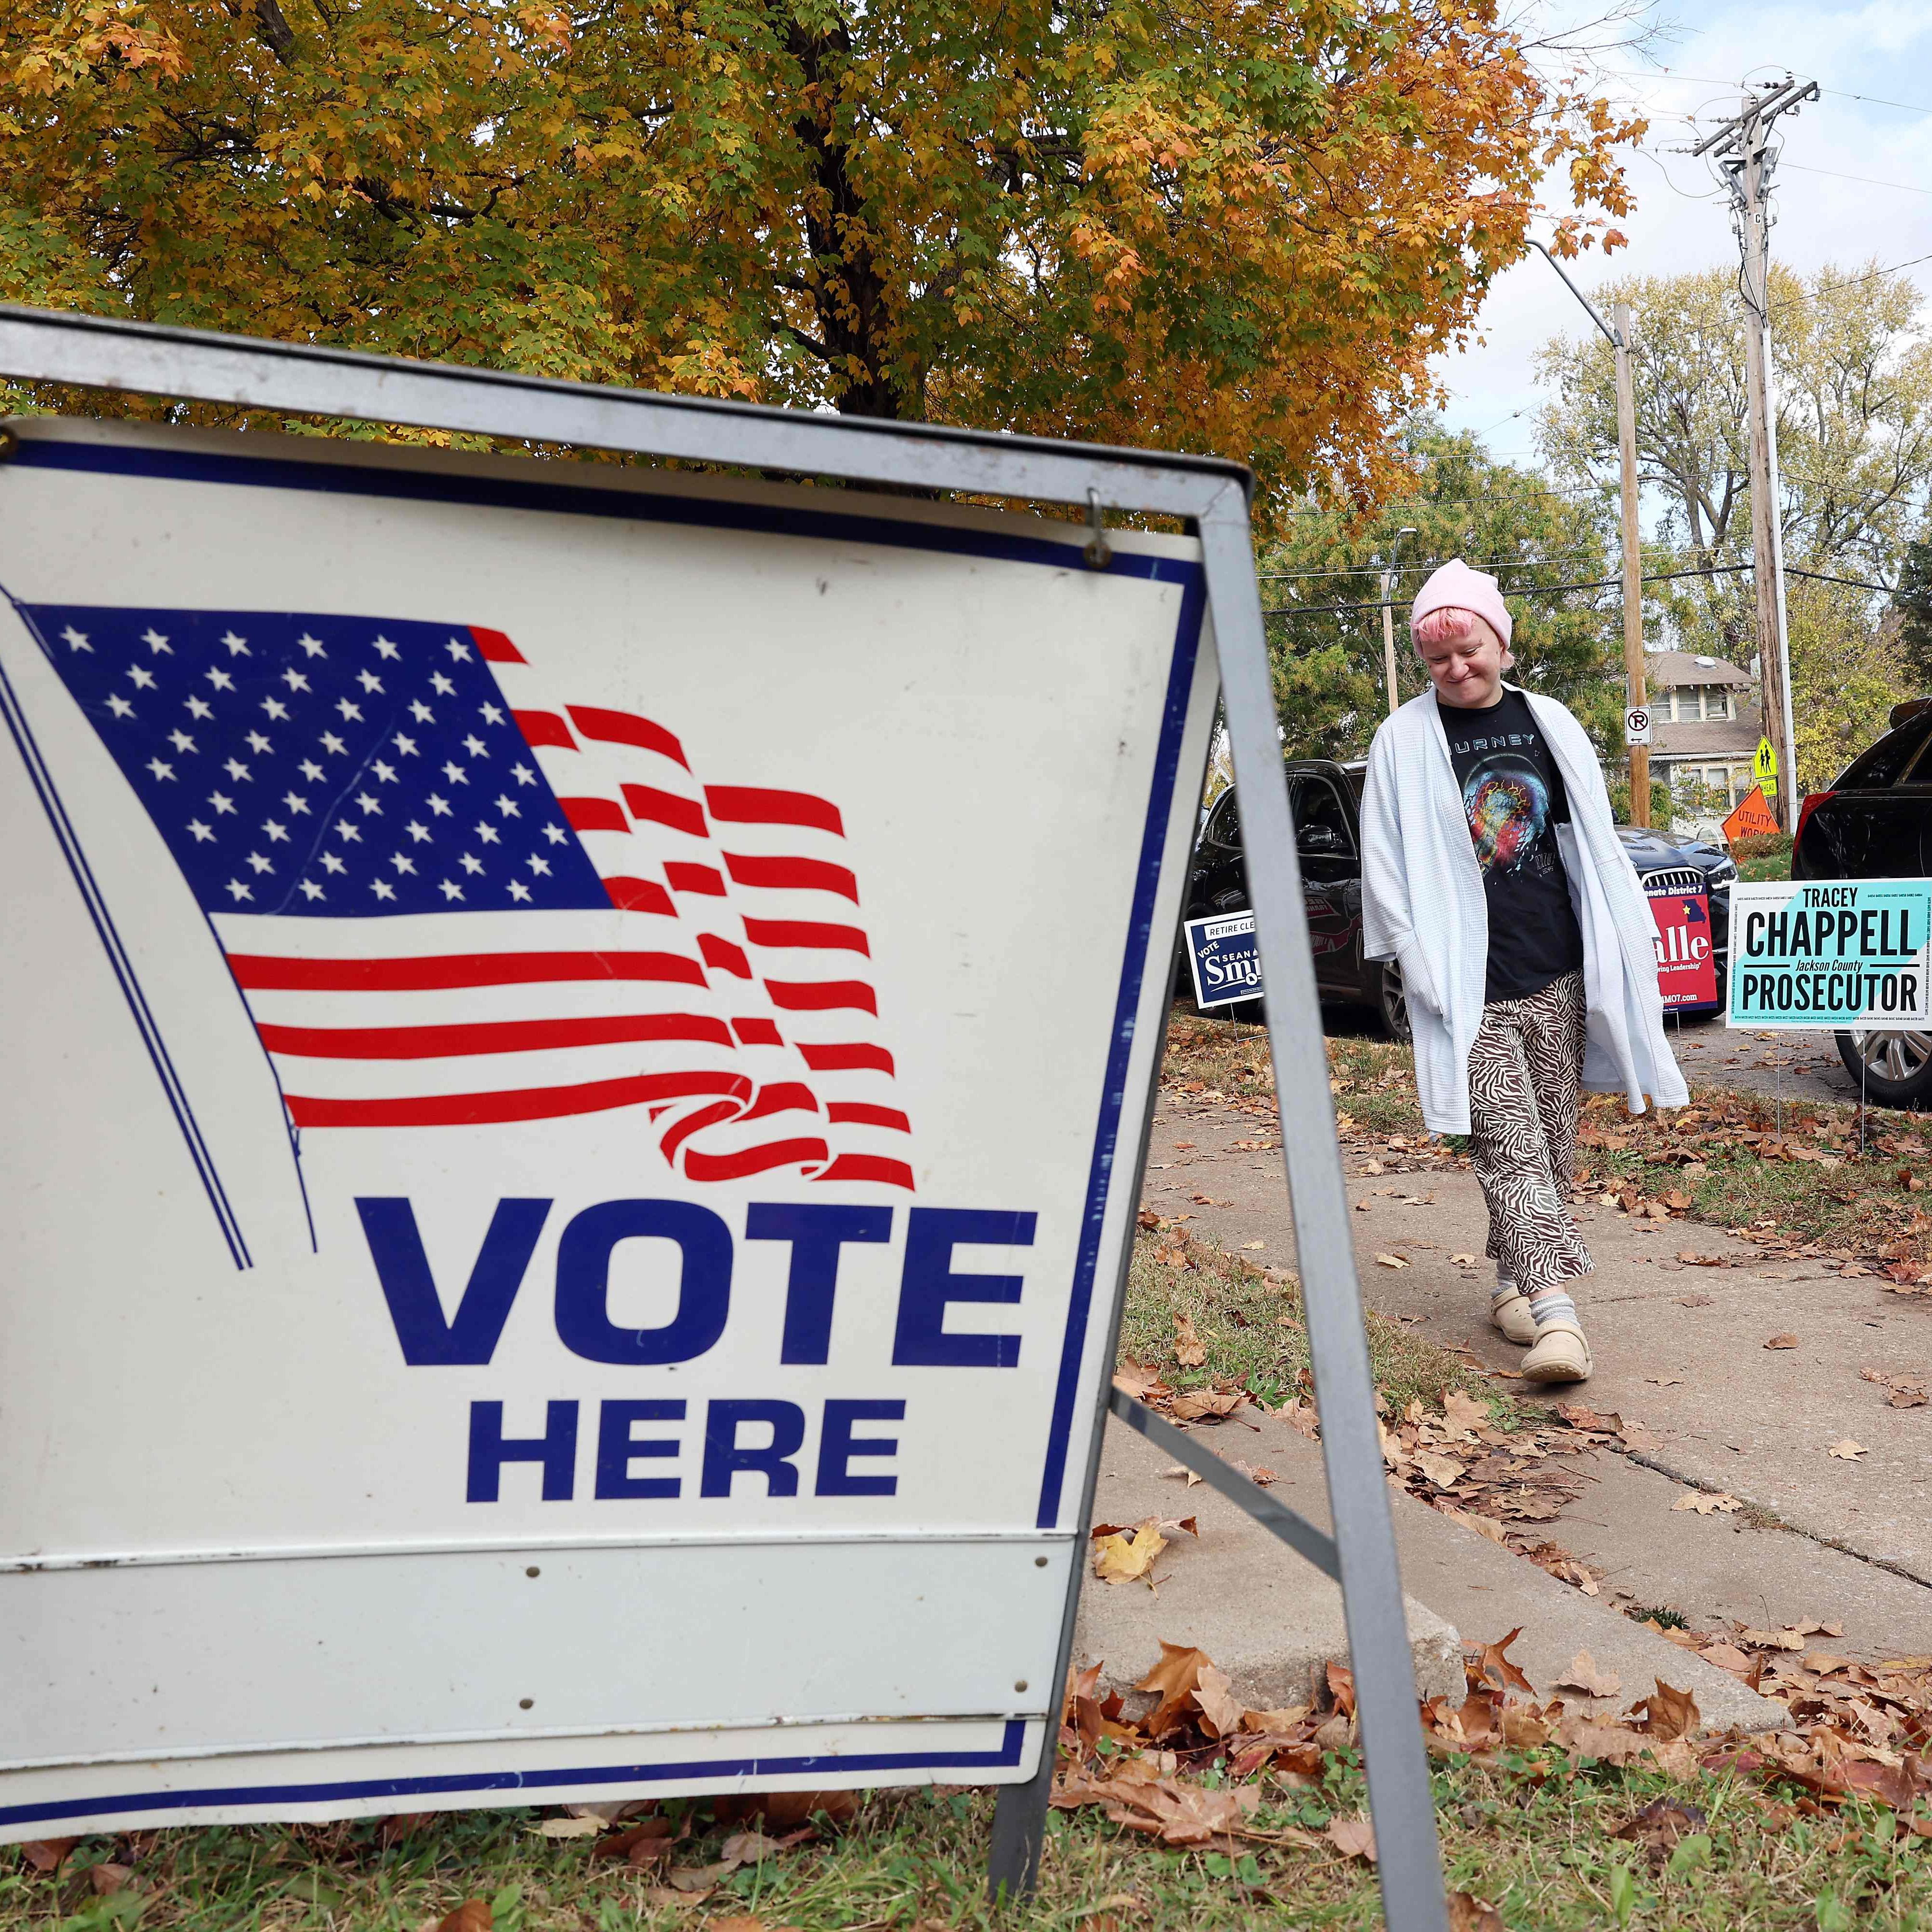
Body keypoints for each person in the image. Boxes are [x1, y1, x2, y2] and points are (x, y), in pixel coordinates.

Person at [1359, 559, 1687, 1384]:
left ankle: (1510, 1281)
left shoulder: (1552, 722)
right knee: (1508, 1147)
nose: (1456, 669)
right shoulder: (1401, 740)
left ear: (1501, 643)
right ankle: (1559, 1320)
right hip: (1464, 987)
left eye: (1468, 650)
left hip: (1558, 967)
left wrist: (1622, 942)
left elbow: (1591, 847)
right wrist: (1413, 958)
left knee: (1552, 1147)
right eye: (1438, 660)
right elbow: (1385, 866)